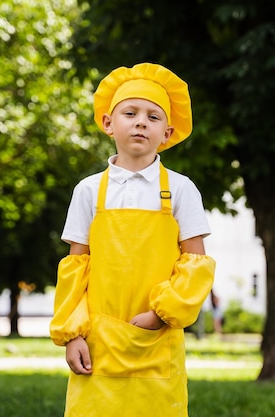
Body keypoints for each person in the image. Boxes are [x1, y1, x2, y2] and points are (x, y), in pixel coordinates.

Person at [49, 63, 216, 417]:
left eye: (153, 117)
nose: (141, 122)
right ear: (109, 123)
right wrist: (72, 334)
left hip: (157, 337)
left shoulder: (182, 190)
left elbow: (196, 264)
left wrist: (161, 312)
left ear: (167, 133)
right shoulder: (88, 191)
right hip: (98, 342)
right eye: (130, 112)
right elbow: (76, 267)